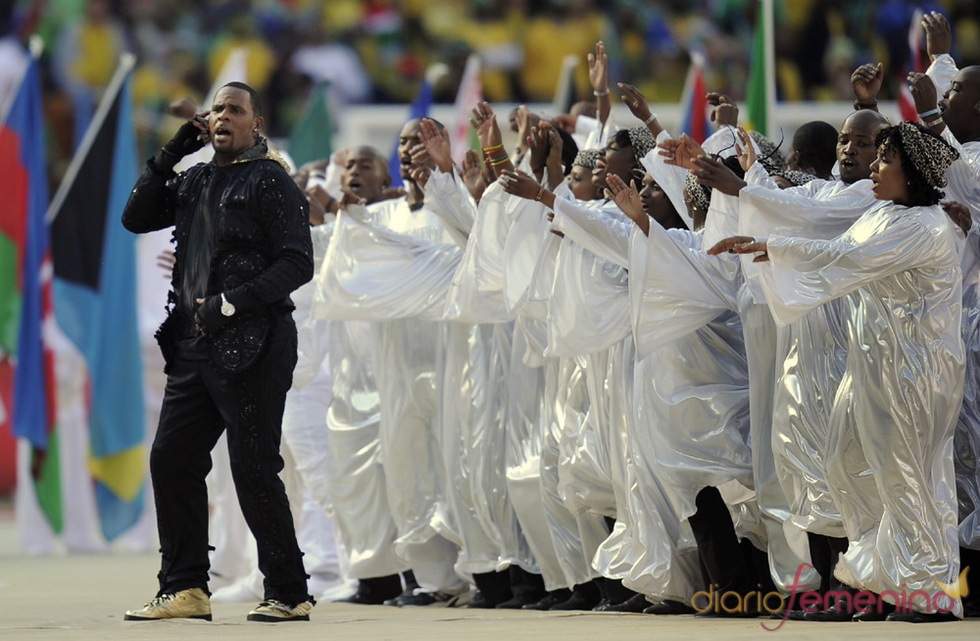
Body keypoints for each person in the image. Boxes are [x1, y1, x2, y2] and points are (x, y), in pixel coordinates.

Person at [728, 121, 964, 622]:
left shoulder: (923, 227)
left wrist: (776, 248)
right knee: (842, 461)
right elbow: (828, 240)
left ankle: (928, 591)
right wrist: (774, 241)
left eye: (884, 159)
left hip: (913, 372)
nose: (874, 167)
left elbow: (844, 257)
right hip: (873, 366)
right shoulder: (882, 212)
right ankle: (890, 574)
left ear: (913, 171)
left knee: (905, 476)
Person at [121, 81, 315, 623]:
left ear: (257, 123)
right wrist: (170, 153)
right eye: (216, 109)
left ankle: (289, 591)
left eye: (235, 109)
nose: (222, 116)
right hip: (193, 346)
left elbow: (298, 263)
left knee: (253, 467)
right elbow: (135, 218)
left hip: (256, 343)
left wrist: (230, 304)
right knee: (172, 459)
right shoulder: (195, 179)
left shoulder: (270, 180)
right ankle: (184, 587)